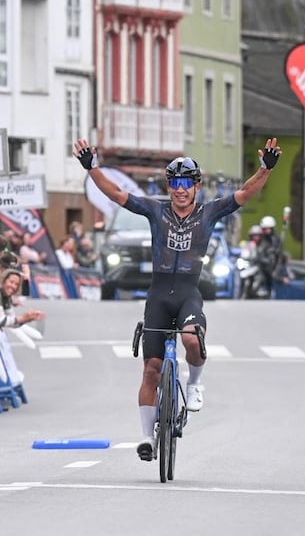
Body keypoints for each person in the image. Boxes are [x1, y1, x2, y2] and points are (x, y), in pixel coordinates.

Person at [74, 136, 281, 462]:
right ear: (168, 186)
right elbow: (116, 193)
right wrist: (92, 168)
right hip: (158, 296)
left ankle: (195, 383)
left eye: (186, 183)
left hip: (188, 293)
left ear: (196, 186)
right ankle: (147, 438)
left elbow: (244, 193)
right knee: (151, 370)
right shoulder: (155, 210)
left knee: (192, 339)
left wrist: (265, 169)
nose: (180, 189)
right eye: (174, 183)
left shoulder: (209, 212)